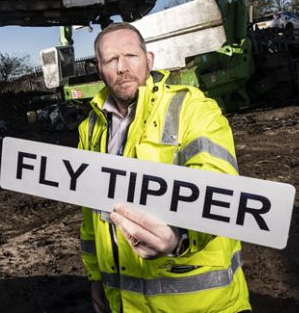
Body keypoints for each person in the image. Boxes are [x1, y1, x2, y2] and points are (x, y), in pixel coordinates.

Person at [78, 22, 251, 313]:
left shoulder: (192, 108)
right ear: (100, 69)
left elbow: (218, 185)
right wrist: (96, 278)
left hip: (203, 305)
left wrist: (180, 235)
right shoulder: (90, 128)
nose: (122, 67)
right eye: (110, 60)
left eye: (131, 55)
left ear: (150, 60)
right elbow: (90, 216)